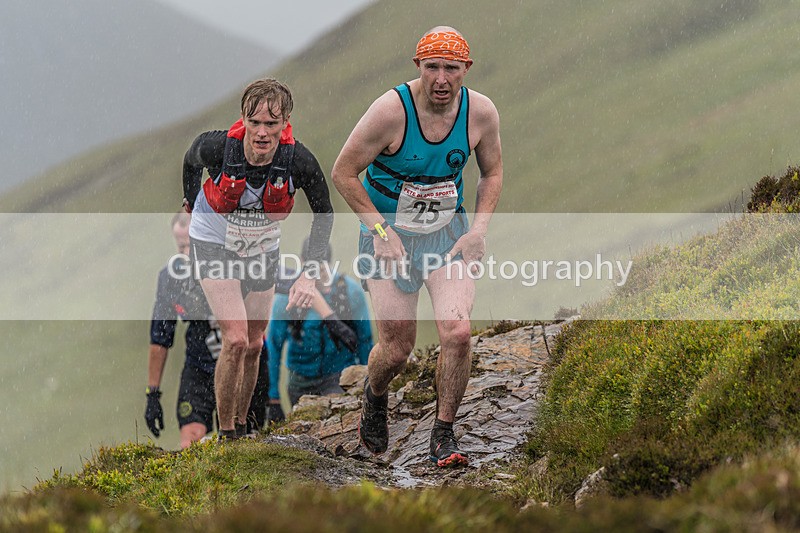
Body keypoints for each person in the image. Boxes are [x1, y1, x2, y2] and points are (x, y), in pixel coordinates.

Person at [331, 27, 503, 467]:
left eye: (452, 68)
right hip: (389, 239)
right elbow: (344, 173)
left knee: (458, 332)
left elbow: (492, 173)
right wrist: (380, 233)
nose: (441, 79)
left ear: (467, 69)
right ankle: (374, 394)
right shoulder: (390, 112)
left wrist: (478, 231)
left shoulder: (480, 113)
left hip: (448, 237)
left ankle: (443, 434)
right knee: (396, 351)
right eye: (432, 68)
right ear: (418, 67)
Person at [182, 78, 334, 440]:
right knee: (234, 339)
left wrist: (309, 273)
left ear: (285, 124)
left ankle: (243, 424)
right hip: (213, 242)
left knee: (253, 342)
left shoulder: (298, 161)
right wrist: (190, 203)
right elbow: (190, 161)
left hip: (261, 246)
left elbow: (324, 213)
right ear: (243, 120)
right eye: (255, 123)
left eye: (271, 124)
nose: (262, 133)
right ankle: (228, 433)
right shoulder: (217, 147)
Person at [145, 212, 271, 448]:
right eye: (180, 244)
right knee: (190, 444)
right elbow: (160, 337)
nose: (184, 251)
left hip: (242, 365)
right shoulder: (171, 278)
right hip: (199, 367)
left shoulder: (234, 261)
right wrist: (153, 392)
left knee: (247, 441)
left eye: (190, 242)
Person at [265, 238, 373, 423]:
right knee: (303, 428)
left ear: (329, 265)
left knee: (334, 422)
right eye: (310, 269)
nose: (315, 277)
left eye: (321, 270)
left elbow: (365, 340)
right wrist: (273, 397)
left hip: (338, 376)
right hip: (299, 379)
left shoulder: (349, 292)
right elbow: (274, 346)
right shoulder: (286, 297)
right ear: (300, 262)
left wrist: (367, 382)